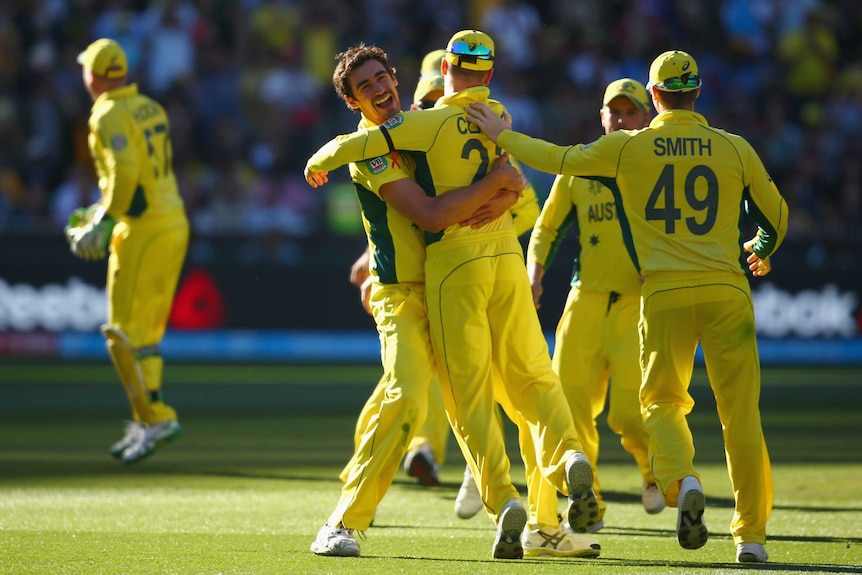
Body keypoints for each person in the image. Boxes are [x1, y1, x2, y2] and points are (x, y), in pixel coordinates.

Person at [466, 49, 787, 564]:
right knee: (741, 419)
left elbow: (558, 158)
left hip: (661, 294)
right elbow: (776, 215)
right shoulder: (734, 148)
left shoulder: (628, 148)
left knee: (659, 404)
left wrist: (502, 135)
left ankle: (681, 481)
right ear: (697, 92)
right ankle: (751, 537)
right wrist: (761, 248)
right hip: (726, 289)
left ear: (655, 97)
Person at [305, 30, 601, 560]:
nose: (379, 90)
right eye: (364, 87)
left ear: (396, 80)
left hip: (453, 282)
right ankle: (342, 522)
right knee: (409, 395)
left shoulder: (420, 125)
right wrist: (495, 187)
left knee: (517, 399)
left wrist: (505, 185)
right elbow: (432, 214)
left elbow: (515, 184)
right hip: (405, 295)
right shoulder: (375, 150)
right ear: (352, 101)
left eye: (382, 78)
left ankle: (544, 524)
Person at [526, 78, 665, 532]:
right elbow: (546, 229)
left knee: (628, 413)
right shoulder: (579, 169)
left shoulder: (658, 166)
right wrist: (535, 272)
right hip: (584, 300)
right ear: (602, 117)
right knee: (569, 410)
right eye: (615, 112)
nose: (622, 119)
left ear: (647, 118)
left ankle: (651, 472)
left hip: (636, 304)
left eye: (631, 112)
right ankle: (591, 505)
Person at [66, 38, 188, 464]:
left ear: (93, 75)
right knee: (146, 335)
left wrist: (104, 218)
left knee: (119, 334)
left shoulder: (107, 113)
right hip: (174, 221)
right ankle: (153, 417)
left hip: (143, 227)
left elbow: (127, 172)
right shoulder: (148, 106)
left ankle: (151, 417)